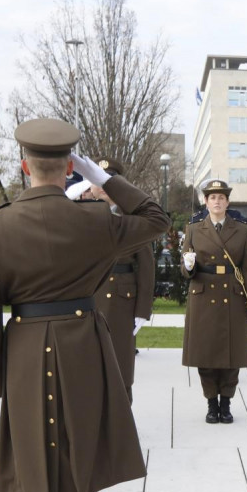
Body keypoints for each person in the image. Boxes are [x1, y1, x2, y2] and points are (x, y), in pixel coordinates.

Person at [0, 118, 170, 492]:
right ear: (68, 169)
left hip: (22, 351)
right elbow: (156, 218)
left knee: (36, 454)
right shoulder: (95, 219)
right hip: (83, 343)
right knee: (77, 450)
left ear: (23, 167)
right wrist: (102, 178)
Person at [181, 179, 247, 422]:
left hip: (232, 296)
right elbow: (186, 269)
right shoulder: (193, 229)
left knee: (231, 356)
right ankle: (210, 404)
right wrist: (187, 266)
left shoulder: (241, 229)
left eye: (221, 198)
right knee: (205, 355)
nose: (217, 201)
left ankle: (225, 404)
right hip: (203, 295)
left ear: (227, 202)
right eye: (212, 197)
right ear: (205, 202)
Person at [81, 158, 156, 401]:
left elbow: (146, 266)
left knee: (121, 365)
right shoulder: (79, 214)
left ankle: (121, 429)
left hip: (122, 301)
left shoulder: (132, 217)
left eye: (108, 181)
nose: (101, 186)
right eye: (97, 181)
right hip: (87, 298)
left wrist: (143, 310)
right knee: (88, 366)